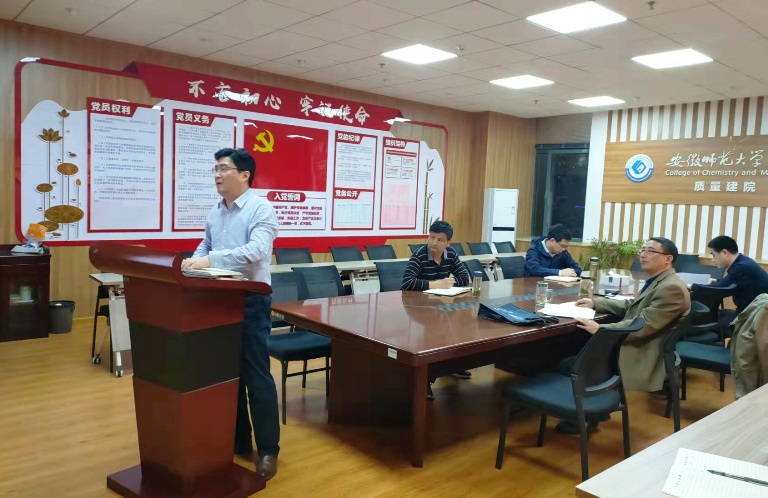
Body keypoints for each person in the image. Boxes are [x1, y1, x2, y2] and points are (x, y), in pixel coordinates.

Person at [181, 148, 280, 480]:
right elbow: (206, 245)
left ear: (244, 175)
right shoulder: (216, 211)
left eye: (224, 169)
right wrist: (192, 262)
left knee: (256, 374)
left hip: (250, 299)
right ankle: (238, 441)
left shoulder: (260, 208)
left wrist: (209, 260)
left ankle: (268, 451)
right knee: (228, 374)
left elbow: (257, 251)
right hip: (218, 302)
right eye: (215, 169)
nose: (217, 175)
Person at [557, 237, 690, 433]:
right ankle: (594, 411)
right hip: (635, 342)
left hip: (640, 351)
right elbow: (632, 306)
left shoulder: (672, 288)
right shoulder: (661, 281)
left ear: (668, 259)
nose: (643, 255)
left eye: (651, 251)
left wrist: (602, 329)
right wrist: (596, 303)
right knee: (573, 345)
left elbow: (642, 325)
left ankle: (587, 415)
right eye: (643, 250)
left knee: (568, 362)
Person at [402, 220, 472, 397]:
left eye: (440, 240)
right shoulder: (419, 255)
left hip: (440, 306)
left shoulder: (451, 254)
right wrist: (435, 284)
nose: (434, 243)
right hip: (418, 309)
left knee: (455, 331)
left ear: (448, 242)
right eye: (432, 237)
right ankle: (424, 381)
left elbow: (465, 277)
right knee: (430, 342)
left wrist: (449, 283)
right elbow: (407, 282)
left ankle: (451, 365)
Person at [691, 235, 768, 330]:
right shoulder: (743, 262)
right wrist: (717, 281)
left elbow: (721, 290)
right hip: (753, 312)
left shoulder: (741, 267)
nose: (713, 259)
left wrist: (692, 286)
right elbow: (731, 282)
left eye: (714, 255)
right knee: (718, 314)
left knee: (708, 322)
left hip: (753, 317)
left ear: (724, 253)